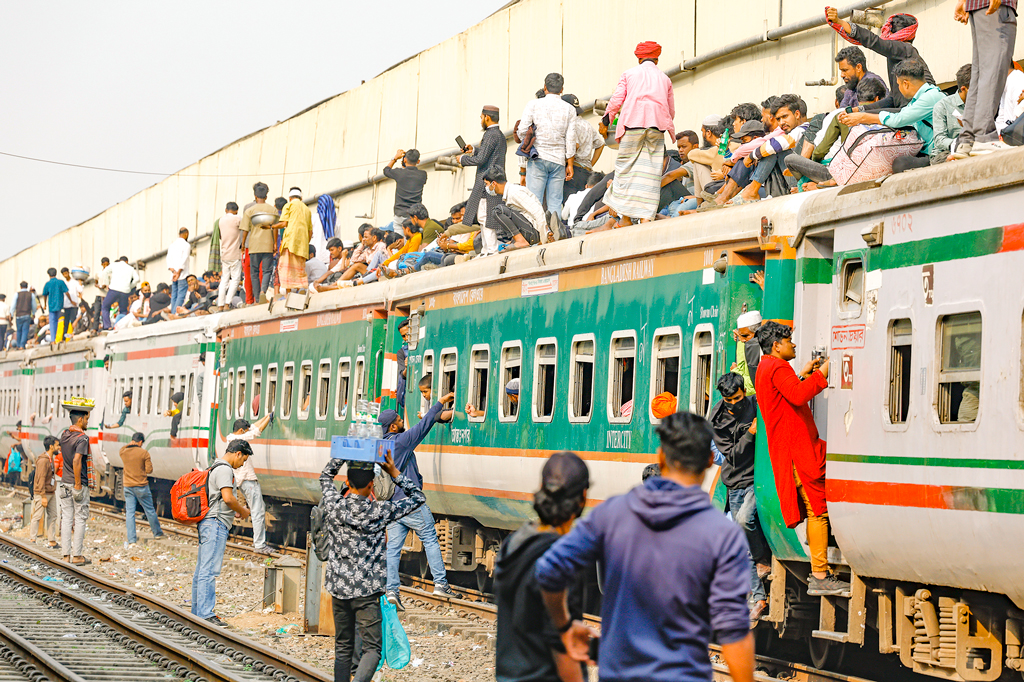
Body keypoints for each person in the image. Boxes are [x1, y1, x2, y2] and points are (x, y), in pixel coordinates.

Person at [535, 412, 755, 682]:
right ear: (710, 460)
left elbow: (549, 570)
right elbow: (734, 631)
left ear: (661, 457)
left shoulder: (613, 514)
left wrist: (564, 626)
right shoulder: (723, 534)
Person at [755, 321, 848, 596]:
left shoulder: (765, 367)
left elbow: (786, 392)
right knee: (816, 508)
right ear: (776, 346)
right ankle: (820, 574)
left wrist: (804, 374)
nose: (793, 345)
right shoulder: (778, 367)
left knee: (813, 507)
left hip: (790, 448)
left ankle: (820, 568)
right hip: (798, 450)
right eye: (789, 341)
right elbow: (797, 395)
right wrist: (824, 372)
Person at [320, 452, 425, 682]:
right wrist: (394, 473)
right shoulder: (380, 511)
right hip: (367, 592)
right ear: (371, 485)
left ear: (347, 483)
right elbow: (418, 497)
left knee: (344, 646)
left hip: (339, 589)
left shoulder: (335, 505)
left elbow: (325, 477)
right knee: (372, 649)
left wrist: (342, 455)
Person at [494, 452, 589, 682]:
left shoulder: (514, 543)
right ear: (583, 498)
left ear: (541, 488)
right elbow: (562, 648)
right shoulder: (562, 559)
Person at [381, 392, 458, 608]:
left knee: (394, 548)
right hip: (410, 502)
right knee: (430, 538)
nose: (401, 421)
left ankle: (392, 591)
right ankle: (441, 583)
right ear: (393, 427)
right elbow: (423, 426)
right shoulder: (401, 442)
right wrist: (440, 402)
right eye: (398, 420)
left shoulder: (380, 445)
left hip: (392, 504)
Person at [709, 372, 771, 621]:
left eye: (737, 398)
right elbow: (731, 455)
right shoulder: (716, 419)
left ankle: (761, 562)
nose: (734, 404)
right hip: (736, 480)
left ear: (744, 392)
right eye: (728, 400)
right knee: (742, 539)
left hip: (759, 478)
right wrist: (750, 435)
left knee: (746, 520)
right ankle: (758, 597)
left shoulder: (756, 403)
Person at [599, 42, 676, 226]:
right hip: (656, 128)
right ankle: (645, 217)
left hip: (633, 126)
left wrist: (605, 121)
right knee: (650, 174)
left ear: (639, 58)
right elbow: (670, 111)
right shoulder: (665, 78)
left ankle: (624, 218)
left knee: (626, 172)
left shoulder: (629, 74)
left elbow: (616, 100)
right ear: (657, 59)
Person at [839, 58, 944, 173]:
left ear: (906, 84)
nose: (898, 88)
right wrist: (861, 114)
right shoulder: (919, 99)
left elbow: (898, 119)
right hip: (924, 150)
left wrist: (862, 118)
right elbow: (898, 113)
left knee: (899, 164)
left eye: (898, 84)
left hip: (937, 154)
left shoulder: (930, 97)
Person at [192, 439, 252, 625]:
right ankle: (205, 614)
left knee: (202, 570)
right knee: (209, 570)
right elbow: (227, 498)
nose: (242, 464)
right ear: (238, 454)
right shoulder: (225, 469)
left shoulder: (215, 466)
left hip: (209, 522)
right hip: (215, 523)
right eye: (243, 460)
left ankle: (197, 611)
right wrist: (242, 510)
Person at [826, 7, 935, 109]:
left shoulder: (905, 49)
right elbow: (893, 99)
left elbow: (874, 41)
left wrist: (840, 22)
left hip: (919, 116)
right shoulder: (897, 56)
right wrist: (862, 110)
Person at [951, 0, 1018, 157]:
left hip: (979, 6)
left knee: (980, 73)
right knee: (992, 71)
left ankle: (968, 140)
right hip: (996, 8)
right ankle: (984, 137)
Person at [517, 73, 576, 217]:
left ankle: (537, 233)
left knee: (534, 201)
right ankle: (555, 234)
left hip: (538, 158)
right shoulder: (570, 109)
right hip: (558, 161)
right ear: (562, 89)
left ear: (545, 88)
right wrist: (570, 164)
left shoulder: (533, 104)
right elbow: (571, 138)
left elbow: (522, 131)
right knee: (555, 202)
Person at [453, 105, 506, 252]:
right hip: (492, 180)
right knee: (485, 216)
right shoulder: (498, 134)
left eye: (481, 117)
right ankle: (486, 250)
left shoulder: (491, 134)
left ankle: (491, 250)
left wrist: (463, 159)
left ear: (487, 117)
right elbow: (487, 154)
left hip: (487, 181)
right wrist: (474, 150)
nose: (481, 120)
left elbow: (481, 160)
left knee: (485, 217)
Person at [227, 415, 274, 554]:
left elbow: (253, 427)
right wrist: (270, 417)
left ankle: (259, 543)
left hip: (244, 480)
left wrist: (266, 416)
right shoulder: (238, 440)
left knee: (257, 510)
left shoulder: (232, 437)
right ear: (241, 431)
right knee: (258, 511)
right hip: (248, 480)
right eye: (245, 430)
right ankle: (259, 545)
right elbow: (256, 431)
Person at [58, 401, 93, 566]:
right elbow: (77, 460)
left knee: (66, 518)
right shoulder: (82, 438)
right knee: (80, 518)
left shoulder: (64, 435)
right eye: (87, 418)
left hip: (64, 483)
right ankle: (77, 555)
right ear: (80, 419)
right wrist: (78, 484)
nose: (87, 422)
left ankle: (66, 555)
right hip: (77, 484)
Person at [483, 167, 549, 249]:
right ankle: (517, 240)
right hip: (529, 229)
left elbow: (537, 211)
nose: (486, 187)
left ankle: (521, 241)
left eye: (486, 183)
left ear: (493, 183)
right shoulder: (508, 194)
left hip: (534, 232)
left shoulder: (514, 192)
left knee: (498, 211)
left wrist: (543, 239)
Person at [120, 432, 164, 547]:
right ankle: (157, 533)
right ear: (140, 442)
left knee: (130, 513)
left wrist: (130, 444)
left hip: (128, 486)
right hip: (141, 486)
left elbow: (123, 448)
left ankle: (132, 540)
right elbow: (149, 470)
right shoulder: (144, 453)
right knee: (149, 510)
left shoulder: (123, 452)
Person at [561, 93, 605, 198]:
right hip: (587, 172)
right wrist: (590, 164)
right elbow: (600, 144)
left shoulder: (571, 124)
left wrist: (564, 162)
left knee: (569, 204)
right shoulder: (587, 124)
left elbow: (574, 145)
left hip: (574, 170)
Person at [240, 182, 277, 304]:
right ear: (266, 196)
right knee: (267, 271)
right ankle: (263, 292)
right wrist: (275, 243)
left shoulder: (249, 211)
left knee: (254, 273)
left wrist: (243, 244)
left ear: (255, 196)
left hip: (254, 246)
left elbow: (245, 230)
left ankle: (256, 299)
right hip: (267, 245)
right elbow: (275, 228)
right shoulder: (272, 209)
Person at [271, 188, 313, 295]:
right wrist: (305, 243)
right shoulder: (307, 209)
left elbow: (284, 223)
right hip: (302, 245)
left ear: (290, 198)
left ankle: (289, 293)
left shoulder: (288, 206)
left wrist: (271, 226)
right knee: (299, 269)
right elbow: (310, 231)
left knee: (286, 268)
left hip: (290, 242)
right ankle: (301, 290)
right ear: (301, 198)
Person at [932, 64, 973, 164]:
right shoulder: (942, 106)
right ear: (964, 89)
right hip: (947, 152)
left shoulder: (983, 104)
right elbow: (939, 140)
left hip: (975, 147)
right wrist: (959, 144)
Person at [383, 149, 428, 233]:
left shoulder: (399, 173)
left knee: (400, 241)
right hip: (415, 216)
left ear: (404, 160)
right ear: (418, 161)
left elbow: (386, 170)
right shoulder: (423, 174)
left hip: (400, 213)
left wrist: (395, 158)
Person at [29, 436, 58, 547]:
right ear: (51, 446)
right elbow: (40, 478)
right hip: (43, 493)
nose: (58, 447)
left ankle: (51, 540)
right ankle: (32, 539)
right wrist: (43, 496)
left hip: (51, 492)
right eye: (57, 445)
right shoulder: (43, 461)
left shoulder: (50, 459)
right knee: (38, 516)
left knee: (53, 515)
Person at [216, 202, 243, 309]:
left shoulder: (220, 220)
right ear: (236, 210)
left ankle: (220, 305)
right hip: (235, 254)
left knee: (224, 281)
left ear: (226, 210)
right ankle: (228, 303)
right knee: (235, 280)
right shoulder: (238, 219)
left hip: (225, 254)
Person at [733, 309, 764, 395]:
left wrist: (736, 372)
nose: (742, 340)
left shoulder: (759, 348)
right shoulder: (744, 342)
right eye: (740, 336)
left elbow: (753, 387)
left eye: (745, 336)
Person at [41, 268, 68, 345]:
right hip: (60, 305)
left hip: (51, 306)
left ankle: (53, 340)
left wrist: (45, 304)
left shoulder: (47, 284)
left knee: (53, 322)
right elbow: (66, 292)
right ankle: (59, 338)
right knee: (60, 321)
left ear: (49, 275)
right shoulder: (60, 282)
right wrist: (71, 301)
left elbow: (44, 295)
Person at [167, 229, 192, 313]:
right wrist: (178, 272)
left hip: (173, 275)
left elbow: (168, 261)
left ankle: (172, 313)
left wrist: (174, 272)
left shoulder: (172, 245)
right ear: (186, 234)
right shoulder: (186, 245)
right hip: (182, 275)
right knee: (181, 295)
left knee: (174, 295)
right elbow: (184, 260)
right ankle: (174, 314)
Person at [58, 267, 82, 343]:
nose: (65, 275)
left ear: (68, 273)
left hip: (74, 304)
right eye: (64, 274)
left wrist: (80, 282)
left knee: (73, 320)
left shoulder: (75, 282)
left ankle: (73, 336)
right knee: (66, 322)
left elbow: (80, 290)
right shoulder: (63, 283)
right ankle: (64, 338)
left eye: (66, 273)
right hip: (66, 305)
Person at [13, 283, 35, 349]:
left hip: (18, 315)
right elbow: (34, 305)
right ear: (27, 286)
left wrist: (11, 313)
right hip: (27, 315)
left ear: (20, 287)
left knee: (19, 330)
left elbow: (13, 305)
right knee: (25, 330)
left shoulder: (17, 294)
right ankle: (22, 346)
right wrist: (33, 313)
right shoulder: (31, 295)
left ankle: (18, 345)